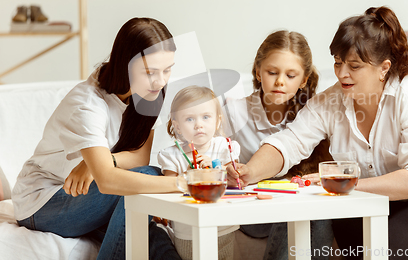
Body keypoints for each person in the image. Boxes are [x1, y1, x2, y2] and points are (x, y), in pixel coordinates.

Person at [228, 6, 408, 260]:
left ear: (384, 68)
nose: (342, 74)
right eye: (337, 63)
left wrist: (348, 184)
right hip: (381, 193)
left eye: (354, 66)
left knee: (386, 242)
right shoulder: (330, 101)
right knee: (347, 232)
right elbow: (289, 142)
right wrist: (250, 171)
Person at [12, 17, 183, 260]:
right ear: (125, 64)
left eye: (168, 70)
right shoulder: (87, 103)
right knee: (149, 177)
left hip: (87, 195)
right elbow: (109, 182)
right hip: (44, 201)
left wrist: (101, 163)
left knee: (151, 238)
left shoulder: (150, 92)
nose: (161, 81)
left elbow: (139, 155)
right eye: (150, 72)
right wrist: (185, 185)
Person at [224, 30, 333, 260]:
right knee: (293, 208)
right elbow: (208, 157)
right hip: (250, 209)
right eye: (272, 72)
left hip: (291, 202)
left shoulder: (311, 115)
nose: (280, 81)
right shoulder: (234, 113)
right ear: (258, 71)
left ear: (304, 79)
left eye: (291, 75)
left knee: (317, 210)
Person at [158, 85, 241, 260]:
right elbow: (168, 189)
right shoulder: (173, 156)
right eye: (189, 119)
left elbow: (235, 176)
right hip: (187, 229)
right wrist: (188, 176)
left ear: (217, 121)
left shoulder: (224, 146)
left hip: (224, 225)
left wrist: (216, 167)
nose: (199, 125)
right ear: (177, 126)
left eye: (205, 117)